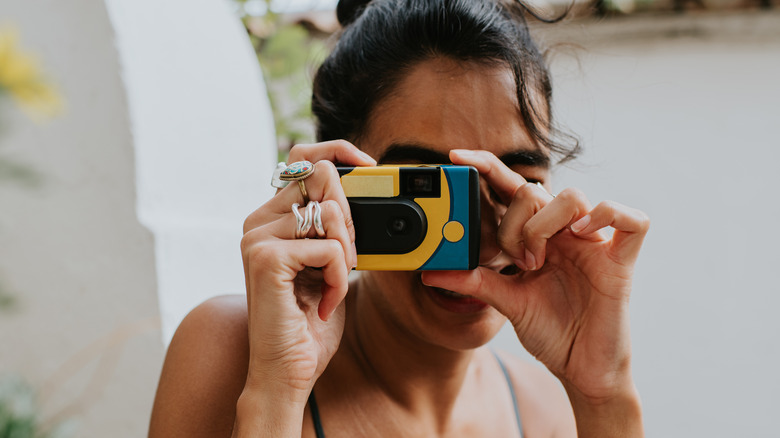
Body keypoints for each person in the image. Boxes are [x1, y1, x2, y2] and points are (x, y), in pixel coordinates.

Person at [149, 0, 650, 436]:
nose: (478, 241)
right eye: (427, 192)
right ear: (336, 183)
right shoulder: (235, 352)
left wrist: (605, 394)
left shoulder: (546, 407)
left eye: (509, 183)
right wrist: (278, 391)